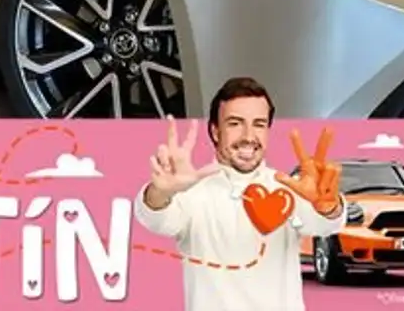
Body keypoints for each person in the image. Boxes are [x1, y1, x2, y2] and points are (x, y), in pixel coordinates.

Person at [133, 76, 346, 311]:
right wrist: (160, 191)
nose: (248, 136)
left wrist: (329, 208)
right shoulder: (192, 191)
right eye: (235, 123)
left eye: (259, 124)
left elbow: (325, 225)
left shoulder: (289, 188)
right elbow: (157, 219)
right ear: (215, 131)